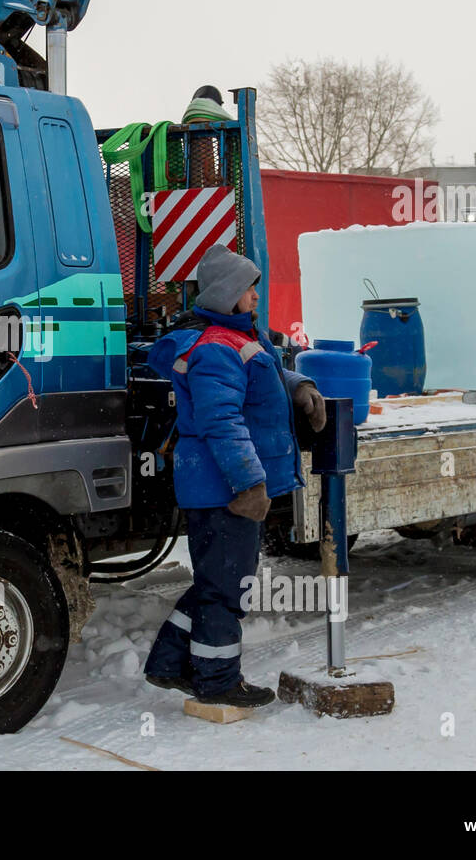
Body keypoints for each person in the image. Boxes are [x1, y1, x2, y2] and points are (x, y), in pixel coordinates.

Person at [143, 243, 326, 707]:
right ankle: (219, 682)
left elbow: (262, 370)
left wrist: (299, 385)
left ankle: (169, 664)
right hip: (223, 489)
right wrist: (248, 483)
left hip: (220, 486)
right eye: (249, 289)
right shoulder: (214, 349)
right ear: (228, 294)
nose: (256, 297)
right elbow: (221, 421)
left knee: (216, 584)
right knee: (229, 591)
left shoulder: (236, 337)